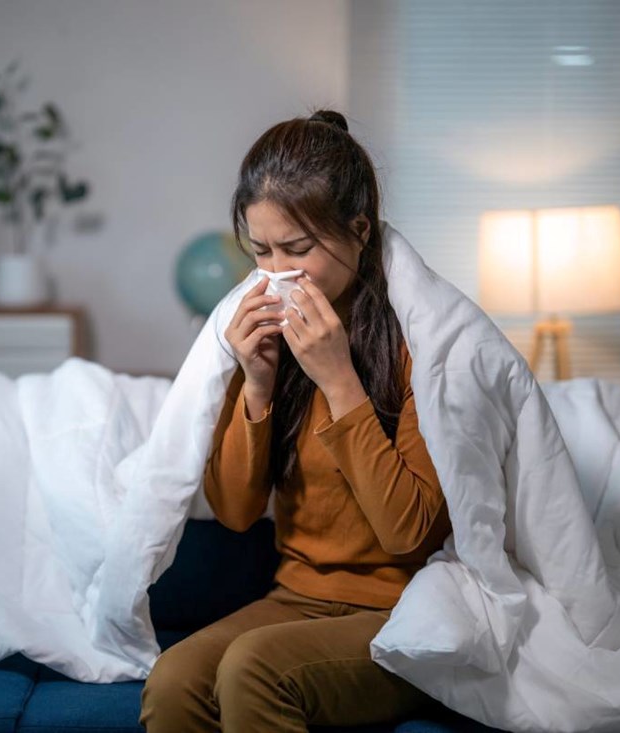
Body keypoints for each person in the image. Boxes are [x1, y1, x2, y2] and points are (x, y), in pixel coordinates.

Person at [138, 109, 454, 733]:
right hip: (295, 599)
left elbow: (409, 534)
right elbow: (233, 512)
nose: (278, 272)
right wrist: (255, 383)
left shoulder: (422, 346)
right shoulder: (271, 337)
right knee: (173, 681)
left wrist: (339, 380)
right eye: (261, 252)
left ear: (358, 230)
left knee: (253, 669)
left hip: (406, 610)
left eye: (299, 249)